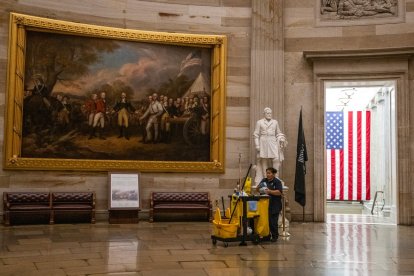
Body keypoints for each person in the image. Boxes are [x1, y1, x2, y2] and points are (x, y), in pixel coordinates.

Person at [253, 107, 288, 184]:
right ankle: (266, 178)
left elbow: (278, 132)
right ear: (264, 114)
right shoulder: (259, 122)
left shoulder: (275, 122)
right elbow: (256, 134)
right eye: (267, 113)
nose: (269, 115)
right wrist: (257, 145)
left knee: (276, 158)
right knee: (264, 160)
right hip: (263, 142)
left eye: (270, 113)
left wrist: (281, 137)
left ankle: (275, 177)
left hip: (272, 141)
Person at [257, 167, 283, 242]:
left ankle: (275, 236)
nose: (267, 175)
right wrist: (259, 187)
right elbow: (257, 189)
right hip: (265, 205)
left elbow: (279, 192)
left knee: (273, 222)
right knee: (266, 221)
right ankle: (267, 235)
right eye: (267, 173)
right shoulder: (264, 180)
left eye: (269, 173)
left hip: (275, 205)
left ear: (273, 174)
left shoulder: (277, 182)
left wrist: (270, 191)